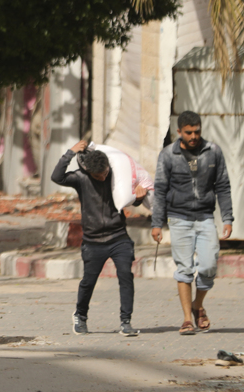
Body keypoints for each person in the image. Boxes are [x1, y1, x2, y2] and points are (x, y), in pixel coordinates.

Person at [51, 141, 145, 336]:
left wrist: (139, 198)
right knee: (88, 281)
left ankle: (126, 321)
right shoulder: (80, 178)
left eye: (104, 172)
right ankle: (80, 316)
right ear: (88, 172)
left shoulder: (117, 175)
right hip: (93, 242)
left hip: (119, 236)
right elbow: (56, 176)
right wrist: (70, 152)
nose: (102, 177)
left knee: (126, 276)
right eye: (97, 175)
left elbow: (130, 197)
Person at [152, 110, 233, 335]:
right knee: (185, 269)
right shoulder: (168, 155)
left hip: (206, 217)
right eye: (189, 132)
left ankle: (198, 305)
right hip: (179, 219)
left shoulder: (213, 151)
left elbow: (223, 186)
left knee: (208, 266)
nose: (194, 136)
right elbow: (160, 190)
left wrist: (227, 217)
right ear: (179, 132)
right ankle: (188, 318)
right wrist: (156, 223)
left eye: (197, 131)